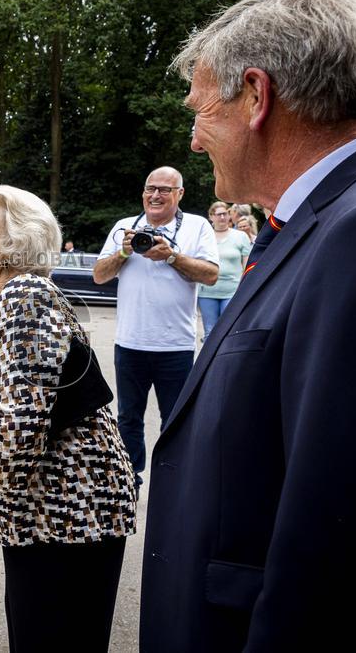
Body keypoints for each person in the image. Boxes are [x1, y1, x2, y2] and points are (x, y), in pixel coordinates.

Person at [140, 0, 356, 651]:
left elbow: (344, 540)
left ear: (256, 97)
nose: (194, 138)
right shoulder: (318, 220)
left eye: (202, 111)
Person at [0, 185, 136, 652]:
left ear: (11, 248)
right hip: (55, 516)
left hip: (70, 516)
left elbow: (16, 434)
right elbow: (3, 408)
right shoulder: (6, 302)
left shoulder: (24, 295)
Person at [92, 166, 219, 486]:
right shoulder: (125, 228)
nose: (156, 195)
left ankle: (171, 480)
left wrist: (172, 256)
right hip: (130, 343)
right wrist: (123, 251)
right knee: (128, 418)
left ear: (180, 194)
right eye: (151, 189)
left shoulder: (196, 226)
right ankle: (128, 479)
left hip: (175, 345)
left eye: (165, 189)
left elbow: (210, 274)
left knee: (175, 420)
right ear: (143, 193)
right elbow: (99, 275)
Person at [196, 203, 250, 338]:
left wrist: (244, 287)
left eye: (225, 213)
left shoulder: (240, 236)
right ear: (211, 217)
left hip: (232, 290)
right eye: (218, 214)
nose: (222, 217)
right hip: (207, 291)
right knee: (210, 332)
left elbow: (247, 264)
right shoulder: (204, 236)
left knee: (229, 331)